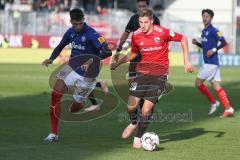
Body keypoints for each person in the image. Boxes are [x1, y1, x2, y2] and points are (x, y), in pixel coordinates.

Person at [111, 9, 193, 148]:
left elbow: (183, 38)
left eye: (145, 22)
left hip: (159, 76)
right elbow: (134, 52)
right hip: (141, 74)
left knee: (146, 110)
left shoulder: (162, 32)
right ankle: (134, 122)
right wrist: (118, 62)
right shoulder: (136, 35)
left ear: (152, 21)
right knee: (130, 107)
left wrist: (186, 61)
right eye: (140, 22)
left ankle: (138, 137)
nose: (142, 25)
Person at [42, 8, 112, 143]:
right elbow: (61, 45)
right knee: (55, 94)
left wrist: (91, 59)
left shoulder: (92, 34)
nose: (78, 26)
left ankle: (81, 102)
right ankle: (53, 133)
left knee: (74, 109)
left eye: (80, 23)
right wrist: (51, 58)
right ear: (71, 22)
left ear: (83, 21)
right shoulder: (70, 32)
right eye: (75, 24)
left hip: (88, 74)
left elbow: (107, 52)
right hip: (71, 68)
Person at [114, 0, 160, 140]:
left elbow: (159, 38)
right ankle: (135, 121)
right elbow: (126, 33)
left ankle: (140, 129)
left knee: (147, 99)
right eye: (139, 6)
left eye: (143, 6)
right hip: (135, 61)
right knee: (133, 94)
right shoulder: (134, 19)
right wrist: (119, 47)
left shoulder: (154, 20)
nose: (141, 8)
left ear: (147, 6)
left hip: (149, 62)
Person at [192, 9, 234, 118]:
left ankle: (214, 102)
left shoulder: (214, 30)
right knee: (216, 87)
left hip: (211, 63)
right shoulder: (203, 31)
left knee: (198, 83)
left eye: (207, 16)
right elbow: (206, 48)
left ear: (211, 18)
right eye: (203, 16)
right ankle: (228, 108)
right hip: (209, 63)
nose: (204, 18)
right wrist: (198, 43)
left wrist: (215, 49)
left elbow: (224, 42)